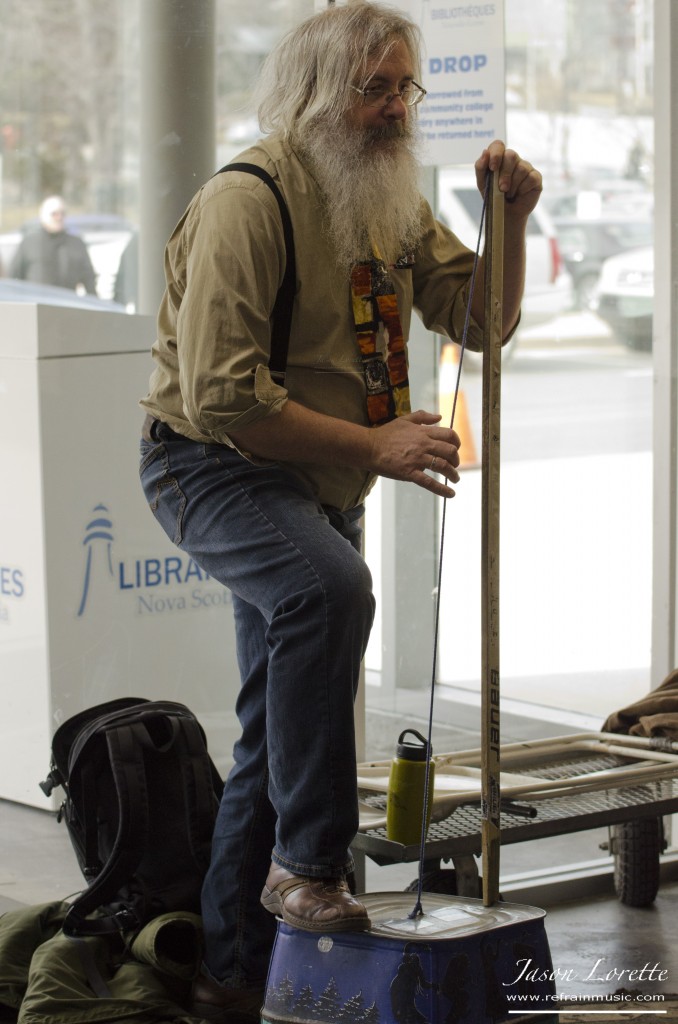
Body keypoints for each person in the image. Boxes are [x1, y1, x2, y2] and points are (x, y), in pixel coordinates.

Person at [138, 3, 542, 1020]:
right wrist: (377, 447)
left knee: (270, 741)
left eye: (405, 87)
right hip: (212, 463)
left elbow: (480, 321)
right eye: (376, 88)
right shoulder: (249, 199)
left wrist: (513, 222)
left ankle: (230, 975)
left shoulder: (390, 204)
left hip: (314, 476)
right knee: (329, 587)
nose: (396, 109)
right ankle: (310, 861)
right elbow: (223, 397)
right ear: (317, 95)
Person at [8, 196, 97, 294]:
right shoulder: (29, 243)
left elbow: (89, 279)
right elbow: (14, 278)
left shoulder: (76, 244)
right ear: (43, 216)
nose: (59, 218)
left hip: (67, 303)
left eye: (62, 214)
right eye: (54, 214)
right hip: (36, 303)